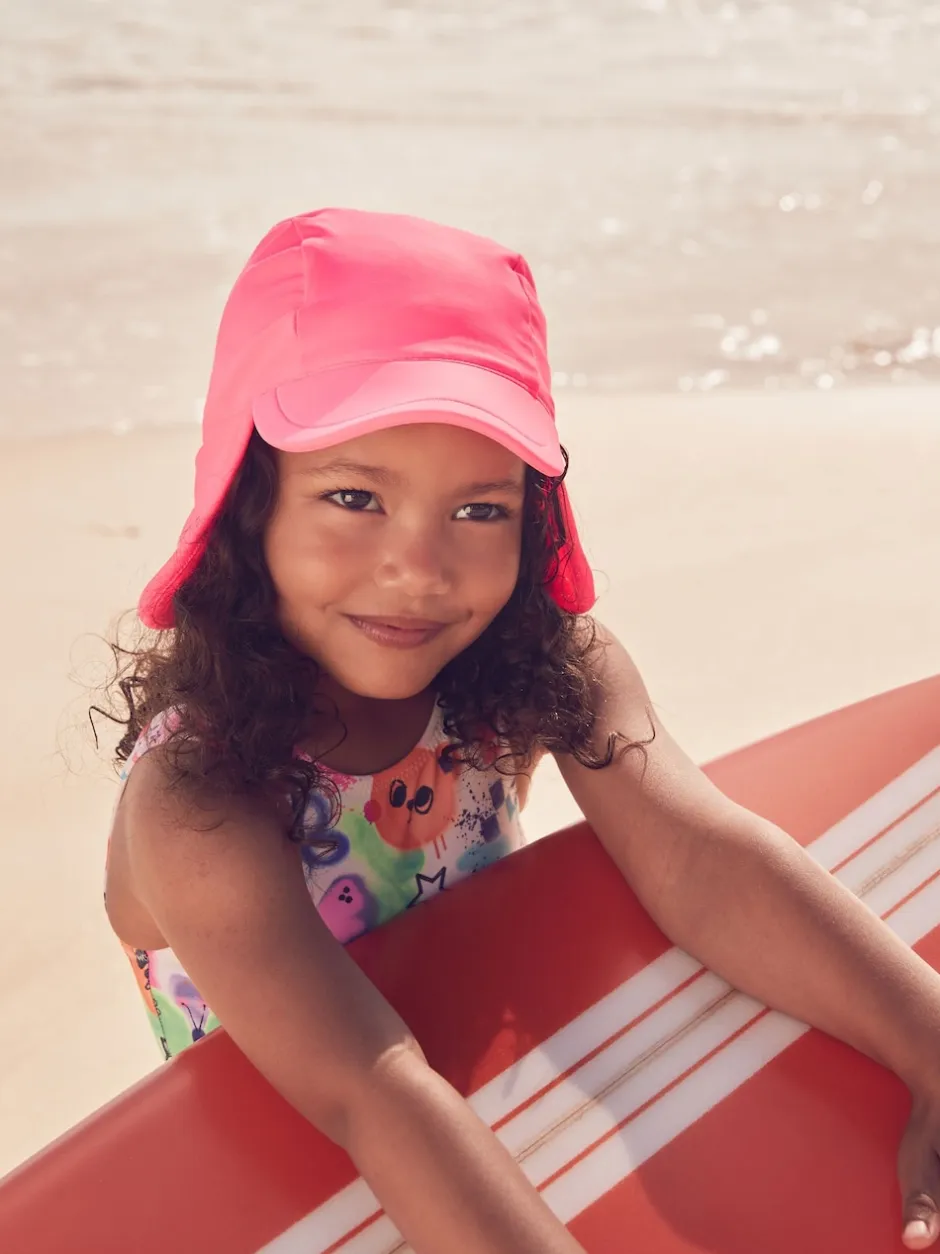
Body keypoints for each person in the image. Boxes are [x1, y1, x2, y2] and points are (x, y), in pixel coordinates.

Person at [101, 207, 940, 1254]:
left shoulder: (532, 666)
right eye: (354, 496)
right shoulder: (199, 795)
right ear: (247, 503)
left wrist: (928, 1043)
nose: (418, 569)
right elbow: (370, 1088)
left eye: (479, 510)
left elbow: (699, 858)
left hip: (485, 1069)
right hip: (299, 1153)